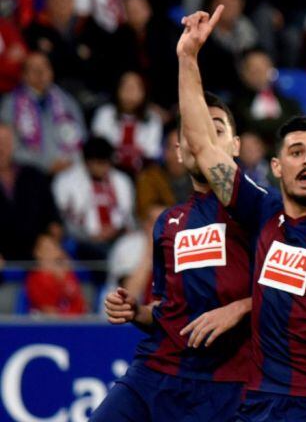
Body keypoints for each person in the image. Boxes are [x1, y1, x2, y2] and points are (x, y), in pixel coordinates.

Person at [176, 10, 306, 420]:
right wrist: (188, 58)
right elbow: (203, 146)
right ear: (276, 167)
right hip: (260, 402)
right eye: (297, 152)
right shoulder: (262, 210)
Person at [91, 93, 254, 421]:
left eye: (216, 130)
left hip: (227, 384)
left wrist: (240, 307)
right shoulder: (168, 222)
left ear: (235, 146)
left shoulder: (260, 212)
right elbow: (167, 309)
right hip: (155, 371)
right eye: (193, 132)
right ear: (179, 150)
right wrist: (138, 311)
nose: (203, 140)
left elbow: (294, 295)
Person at [0, 51, 85, 174]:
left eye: (45, 67)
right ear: (23, 75)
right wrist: (45, 164)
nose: (40, 72)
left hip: (70, 170)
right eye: (34, 68)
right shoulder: (10, 104)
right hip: (29, 172)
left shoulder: (66, 100)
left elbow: (82, 134)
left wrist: (71, 161)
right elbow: (8, 146)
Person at [52, 136, 135, 261]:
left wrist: (117, 230)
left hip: (116, 238)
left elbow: (127, 216)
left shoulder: (121, 181)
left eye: (107, 163)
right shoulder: (66, 181)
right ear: (87, 162)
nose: (104, 168)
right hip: (83, 241)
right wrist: (89, 236)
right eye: (100, 163)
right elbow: (64, 219)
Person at [0, 122, 60, 262]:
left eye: (6, 142)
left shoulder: (34, 176)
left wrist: (50, 243)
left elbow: (54, 222)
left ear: (14, 145)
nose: (1, 147)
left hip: (37, 256)